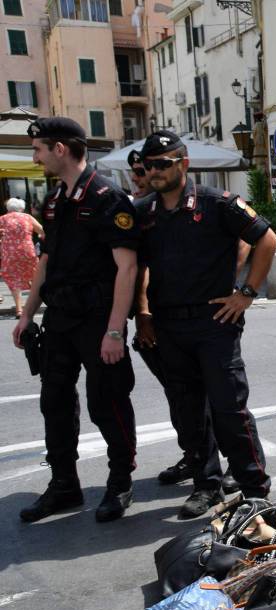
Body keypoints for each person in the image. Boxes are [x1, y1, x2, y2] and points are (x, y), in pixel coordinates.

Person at [134, 130, 276, 517]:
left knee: (229, 410)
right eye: (149, 165)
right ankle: (206, 485)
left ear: (183, 163)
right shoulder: (144, 213)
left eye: (163, 164)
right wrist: (143, 311)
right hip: (167, 326)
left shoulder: (217, 203)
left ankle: (254, 490)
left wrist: (246, 293)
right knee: (188, 413)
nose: (155, 171)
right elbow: (138, 267)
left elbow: (267, 240)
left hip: (214, 322)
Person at [13, 117, 139, 523]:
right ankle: (64, 485)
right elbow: (45, 260)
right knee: (54, 402)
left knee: (108, 402)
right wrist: (27, 312)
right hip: (60, 320)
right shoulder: (54, 200)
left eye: (38, 149)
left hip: (98, 319)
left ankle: (120, 482)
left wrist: (115, 330)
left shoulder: (107, 197)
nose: (36, 157)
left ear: (60, 149)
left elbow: (127, 268)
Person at [0, 197, 43, 318]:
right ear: (22, 208)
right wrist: (40, 236)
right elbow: (41, 230)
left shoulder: (2, 219)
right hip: (27, 251)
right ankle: (32, 307)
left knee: (14, 280)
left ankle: (19, 310)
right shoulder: (27, 217)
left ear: (8, 208)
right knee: (34, 277)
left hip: (9, 253)